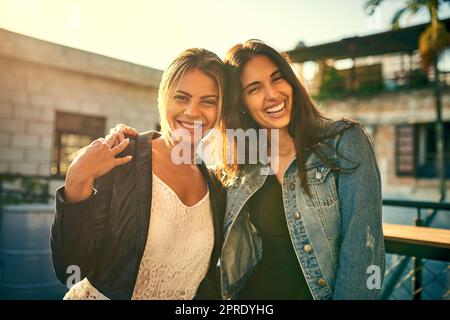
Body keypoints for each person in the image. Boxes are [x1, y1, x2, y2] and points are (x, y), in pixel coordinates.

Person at [50, 48, 226, 300]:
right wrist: (77, 180)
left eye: (208, 101)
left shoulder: (217, 187)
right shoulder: (122, 157)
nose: (193, 111)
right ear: (164, 98)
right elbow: (70, 270)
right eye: (182, 98)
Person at [217, 40, 385, 300]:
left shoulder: (344, 141)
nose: (272, 94)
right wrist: (139, 144)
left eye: (277, 78)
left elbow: (363, 248)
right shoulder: (244, 163)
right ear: (241, 103)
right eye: (254, 89)